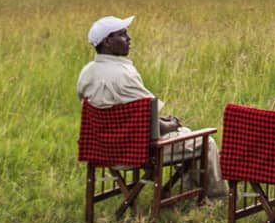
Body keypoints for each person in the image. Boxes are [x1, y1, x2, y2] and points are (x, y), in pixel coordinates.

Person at [76, 15, 224, 197]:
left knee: (185, 135)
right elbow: (154, 125)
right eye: (122, 35)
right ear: (107, 41)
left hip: (101, 147)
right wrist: (172, 124)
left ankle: (189, 190)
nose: (129, 39)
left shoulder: (86, 73)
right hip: (135, 150)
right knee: (205, 141)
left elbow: (124, 113)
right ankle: (215, 196)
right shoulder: (124, 75)